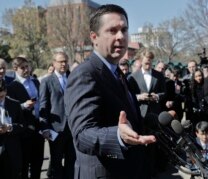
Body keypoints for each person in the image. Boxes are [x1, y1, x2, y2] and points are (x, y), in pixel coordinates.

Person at [64, 4, 156, 179]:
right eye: (112, 31)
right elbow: (83, 135)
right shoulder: (85, 74)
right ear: (94, 37)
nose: (121, 36)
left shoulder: (117, 72)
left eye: (124, 29)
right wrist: (118, 136)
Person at [39, 52, 75, 179]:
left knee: (72, 160)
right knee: (56, 162)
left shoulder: (73, 78)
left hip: (72, 128)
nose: (64, 64)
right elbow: (43, 106)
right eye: (61, 62)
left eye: (65, 61)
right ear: (54, 63)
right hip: (56, 129)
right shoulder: (46, 81)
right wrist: (45, 127)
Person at [7, 56, 44, 179]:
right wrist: (23, 106)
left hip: (39, 128)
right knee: (24, 164)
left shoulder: (35, 81)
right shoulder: (12, 86)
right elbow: (12, 109)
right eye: (22, 68)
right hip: (25, 131)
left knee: (38, 163)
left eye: (27, 67)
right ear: (15, 69)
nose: (26, 70)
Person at [128, 49, 166, 118]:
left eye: (150, 63)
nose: (148, 66)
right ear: (141, 61)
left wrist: (157, 96)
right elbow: (129, 95)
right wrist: (139, 97)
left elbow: (164, 92)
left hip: (155, 113)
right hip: (139, 112)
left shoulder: (159, 76)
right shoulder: (133, 77)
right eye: (146, 63)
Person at [0, 80, 25, 179]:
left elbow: (23, 125)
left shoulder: (14, 104)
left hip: (13, 150)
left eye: (1, 97)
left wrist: (10, 127)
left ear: (5, 91)